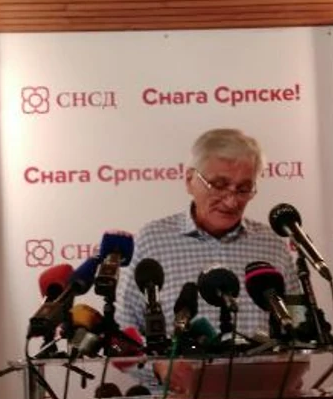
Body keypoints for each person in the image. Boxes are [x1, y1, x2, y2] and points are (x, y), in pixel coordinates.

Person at [118, 128, 299, 342]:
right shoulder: (152, 241)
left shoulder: (272, 246)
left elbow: (297, 329)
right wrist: (164, 362)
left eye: (243, 189)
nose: (231, 201)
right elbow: (125, 328)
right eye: (219, 186)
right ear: (189, 180)